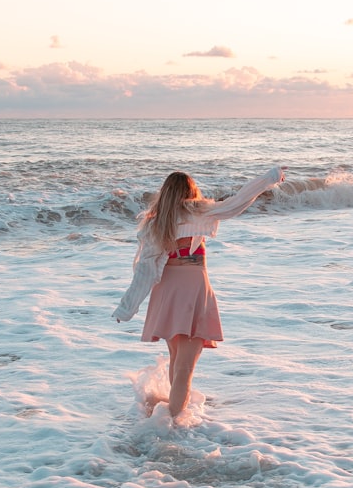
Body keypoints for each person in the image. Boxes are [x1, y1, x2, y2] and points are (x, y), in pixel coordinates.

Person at [113, 166, 286, 419]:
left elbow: (145, 271)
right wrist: (270, 178)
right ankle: (173, 425)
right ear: (191, 191)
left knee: (177, 361)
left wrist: (126, 308)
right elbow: (238, 202)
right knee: (184, 368)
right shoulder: (200, 213)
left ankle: (172, 416)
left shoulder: (155, 224)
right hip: (193, 289)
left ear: (165, 194)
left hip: (167, 292)